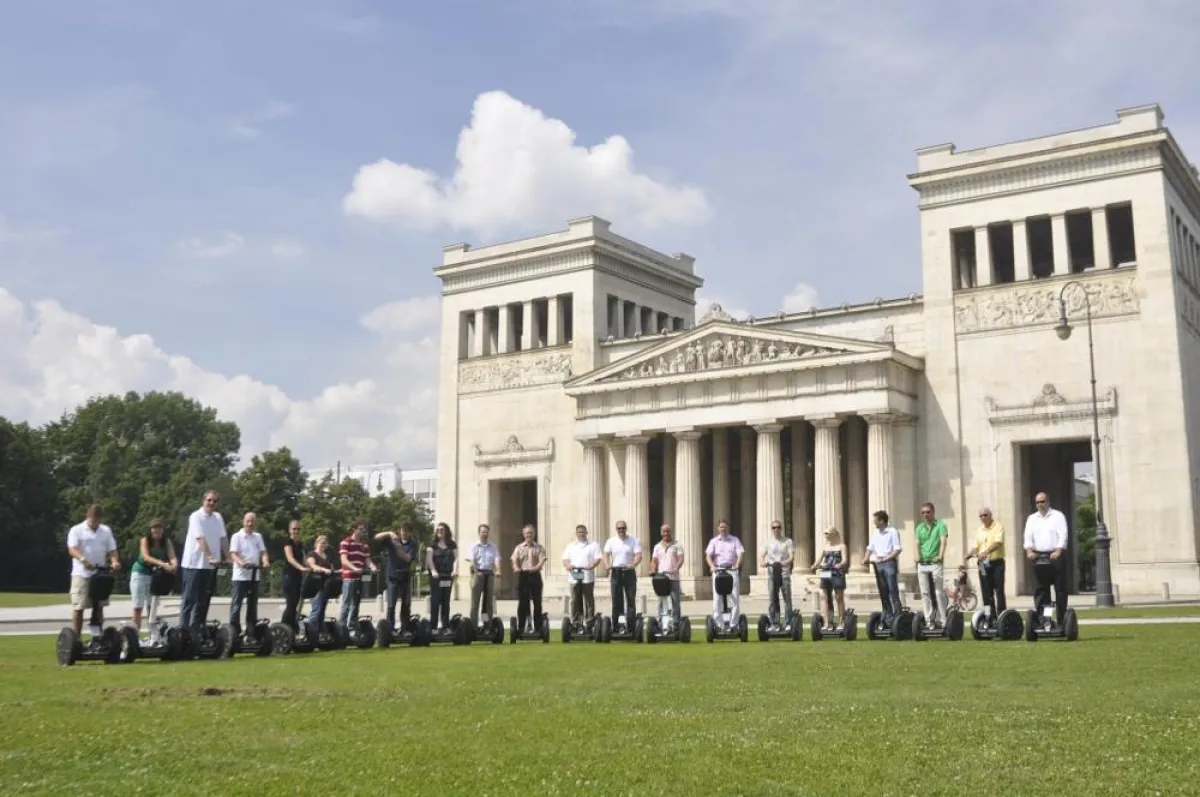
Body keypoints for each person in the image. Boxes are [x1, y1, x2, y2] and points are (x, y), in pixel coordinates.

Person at [66, 504, 121, 638]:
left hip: (100, 573)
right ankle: (76, 638)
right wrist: (84, 560)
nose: (95, 522)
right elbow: (72, 549)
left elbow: (112, 550)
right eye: (93, 519)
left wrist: (114, 561)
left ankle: (98, 636)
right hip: (82, 574)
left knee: (99, 605)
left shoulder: (105, 531)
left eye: (98, 519)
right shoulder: (77, 530)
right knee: (79, 606)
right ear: (88, 516)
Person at [180, 491, 228, 630]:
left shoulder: (218, 517)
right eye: (209, 500)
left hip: (209, 567)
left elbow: (223, 538)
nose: (212, 503)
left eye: (215, 501)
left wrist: (229, 556)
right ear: (203, 500)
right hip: (193, 564)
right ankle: (184, 632)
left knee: (203, 602)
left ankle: (197, 631)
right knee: (189, 600)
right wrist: (210, 556)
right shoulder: (196, 517)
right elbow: (200, 539)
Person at [1023, 491, 1069, 627]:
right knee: (1041, 591)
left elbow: (1063, 534)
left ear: (1048, 502)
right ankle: (1045, 620)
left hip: (1055, 556)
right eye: (1037, 502)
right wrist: (1029, 550)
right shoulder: (1032, 518)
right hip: (1038, 557)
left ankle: (1061, 620)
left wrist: (1059, 550)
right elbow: (1027, 537)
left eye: (1042, 502)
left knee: (1060, 589)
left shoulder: (1058, 516)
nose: (1040, 505)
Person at [129, 519, 177, 644]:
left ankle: (153, 636)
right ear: (150, 530)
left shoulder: (166, 542)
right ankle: (134, 638)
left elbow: (172, 557)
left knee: (152, 607)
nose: (157, 530)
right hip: (139, 573)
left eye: (159, 528)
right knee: (138, 606)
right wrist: (162, 563)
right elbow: (146, 557)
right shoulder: (145, 540)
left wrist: (174, 565)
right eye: (154, 528)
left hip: (154, 575)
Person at [228, 512, 270, 635]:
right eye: (248, 521)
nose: (250, 524)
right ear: (243, 521)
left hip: (254, 575)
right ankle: (234, 631)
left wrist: (265, 561)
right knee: (237, 604)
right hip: (240, 576)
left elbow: (263, 552)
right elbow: (233, 554)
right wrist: (241, 563)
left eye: (252, 521)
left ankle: (251, 631)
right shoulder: (237, 536)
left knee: (252, 606)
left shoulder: (258, 536)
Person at [375, 523, 419, 631]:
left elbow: (408, 558)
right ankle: (390, 628)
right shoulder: (392, 540)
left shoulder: (413, 544)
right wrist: (389, 533)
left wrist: (398, 547)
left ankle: (405, 628)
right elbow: (377, 537)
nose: (404, 533)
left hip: (405, 576)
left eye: (407, 531)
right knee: (391, 604)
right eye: (402, 530)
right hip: (392, 576)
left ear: (410, 533)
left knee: (406, 604)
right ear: (400, 531)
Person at [966, 505, 1007, 617]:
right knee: (986, 591)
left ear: (990, 515)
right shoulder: (979, 530)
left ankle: (1002, 615)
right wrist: (970, 553)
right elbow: (976, 546)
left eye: (985, 515)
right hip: (983, 565)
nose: (983, 518)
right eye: (981, 516)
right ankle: (989, 615)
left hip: (996, 563)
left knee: (999, 590)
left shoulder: (998, 527)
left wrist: (987, 551)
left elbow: (998, 543)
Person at [864, 510, 903, 625]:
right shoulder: (876, 534)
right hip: (878, 563)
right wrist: (865, 558)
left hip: (889, 562)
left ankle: (897, 614)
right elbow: (870, 548)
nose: (873, 522)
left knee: (892, 590)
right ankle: (887, 613)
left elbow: (897, 549)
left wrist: (886, 558)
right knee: (883, 591)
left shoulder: (892, 532)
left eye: (875, 520)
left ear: (881, 521)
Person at [603, 520, 643, 630]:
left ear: (626, 528)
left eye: (623, 528)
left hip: (629, 572)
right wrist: (607, 564)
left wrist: (633, 564)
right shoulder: (611, 541)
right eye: (619, 528)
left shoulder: (634, 540)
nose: (621, 530)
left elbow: (639, 555)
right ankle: (616, 626)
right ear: (616, 529)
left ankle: (631, 626)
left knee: (630, 600)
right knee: (616, 600)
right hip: (616, 572)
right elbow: (605, 554)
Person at [914, 502, 949, 628]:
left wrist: (940, 555)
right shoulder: (919, 528)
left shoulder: (940, 525)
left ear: (933, 512)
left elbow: (943, 541)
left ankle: (942, 619)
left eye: (928, 512)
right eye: (923, 512)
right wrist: (917, 556)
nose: (925, 515)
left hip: (935, 562)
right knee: (925, 593)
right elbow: (917, 544)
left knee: (938, 591)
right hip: (923, 563)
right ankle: (929, 620)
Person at [337, 522, 377, 628]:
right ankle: (341, 627)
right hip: (348, 578)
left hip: (358, 578)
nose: (362, 531)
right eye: (360, 529)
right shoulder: (346, 542)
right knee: (346, 604)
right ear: (354, 529)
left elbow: (367, 559)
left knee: (355, 604)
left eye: (363, 529)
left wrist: (372, 567)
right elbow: (344, 560)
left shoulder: (364, 545)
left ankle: (352, 627)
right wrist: (354, 568)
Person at [705, 520, 745, 624]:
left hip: (731, 570)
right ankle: (719, 624)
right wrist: (712, 566)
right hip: (718, 570)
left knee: (734, 597)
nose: (723, 529)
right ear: (718, 529)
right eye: (721, 527)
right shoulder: (713, 541)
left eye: (725, 527)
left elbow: (740, 553)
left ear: (728, 528)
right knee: (717, 598)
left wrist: (737, 564)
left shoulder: (734, 540)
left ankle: (733, 624)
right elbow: (708, 556)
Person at [561, 524, 602, 626]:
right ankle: (576, 622)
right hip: (574, 575)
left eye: (583, 532)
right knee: (575, 600)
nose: (581, 534)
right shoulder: (571, 546)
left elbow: (598, 558)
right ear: (576, 534)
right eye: (579, 532)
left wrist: (592, 564)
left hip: (587, 575)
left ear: (586, 533)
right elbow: (565, 559)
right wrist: (568, 565)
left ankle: (589, 622)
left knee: (588, 600)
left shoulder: (593, 545)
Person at [510, 524, 547, 633]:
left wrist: (536, 567)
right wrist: (516, 567)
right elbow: (514, 559)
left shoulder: (539, 547)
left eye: (530, 533)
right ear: (523, 534)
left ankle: (538, 627)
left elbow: (542, 560)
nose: (528, 535)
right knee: (523, 602)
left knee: (537, 602)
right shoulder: (519, 547)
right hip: (523, 575)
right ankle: (522, 626)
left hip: (535, 575)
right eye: (526, 533)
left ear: (534, 534)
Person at [811, 526, 848, 631]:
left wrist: (840, 564)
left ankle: (841, 622)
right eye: (825, 533)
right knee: (824, 597)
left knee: (838, 597)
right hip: (825, 572)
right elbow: (819, 561)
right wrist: (814, 566)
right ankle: (827, 623)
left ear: (834, 534)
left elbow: (845, 560)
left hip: (837, 572)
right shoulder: (825, 547)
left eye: (827, 533)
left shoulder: (841, 546)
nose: (825, 535)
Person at [466, 524, 503, 627]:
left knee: (488, 603)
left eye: (486, 532)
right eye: (483, 532)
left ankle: (487, 625)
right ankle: (473, 626)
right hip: (478, 574)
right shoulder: (473, 546)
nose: (485, 534)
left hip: (489, 574)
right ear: (479, 533)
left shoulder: (493, 546)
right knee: (475, 602)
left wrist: (498, 570)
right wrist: (476, 570)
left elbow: (496, 559)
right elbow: (472, 561)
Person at [760, 519, 795, 626]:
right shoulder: (767, 542)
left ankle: (788, 622)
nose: (776, 529)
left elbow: (791, 557)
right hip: (772, 573)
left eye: (778, 527)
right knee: (772, 598)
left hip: (784, 573)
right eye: (774, 527)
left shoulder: (787, 541)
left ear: (781, 528)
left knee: (787, 598)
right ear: (772, 529)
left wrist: (784, 562)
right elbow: (761, 555)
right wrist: (763, 563)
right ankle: (774, 621)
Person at [649, 524, 684, 627]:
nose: (666, 533)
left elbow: (681, 558)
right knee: (661, 601)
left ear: (670, 532)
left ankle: (676, 624)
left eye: (668, 531)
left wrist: (676, 568)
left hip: (673, 578)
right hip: (661, 578)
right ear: (661, 533)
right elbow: (654, 560)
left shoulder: (677, 545)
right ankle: (661, 624)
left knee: (675, 601)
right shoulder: (657, 546)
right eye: (664, 531)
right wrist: (653, 570)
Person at [426, 522, 458, 631]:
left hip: (447, 576)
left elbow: (456, 558)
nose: (440, 531)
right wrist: (433, 571)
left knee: (446, 601)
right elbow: (429, 559)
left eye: (442, 529)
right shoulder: (432, 544)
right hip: (436, 577)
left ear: (446, 531)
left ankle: (445, 626)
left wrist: (454, 570)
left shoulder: (451, 544)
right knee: (435, 601)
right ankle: (433, 626)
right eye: (438, 529)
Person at [304, 535, 336, 635]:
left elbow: (331, 568)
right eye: (322, 543)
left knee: (322, 609)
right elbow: (312, 565)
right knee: (316, 609)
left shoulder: (326, 556)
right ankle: (311, 632)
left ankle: (320, 632)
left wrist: (336, 571)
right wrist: (323, 569)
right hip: (315, 585)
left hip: (325, 585)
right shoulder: (312, 554)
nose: (323, 545)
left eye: (325, 543)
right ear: (317, 543)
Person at [280, 520, 309, 631]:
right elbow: (290, 558)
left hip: (298, 577)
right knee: (291, 604)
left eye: (298, 529)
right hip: (289, 576)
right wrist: (301, 567)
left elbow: (304, 559)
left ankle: (292, 626)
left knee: (295, 603)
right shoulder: (288, 542)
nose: (296, 531)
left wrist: (312, 567)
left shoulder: (300, 544)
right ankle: (284, 627)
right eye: (294, 529)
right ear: (290, 530)